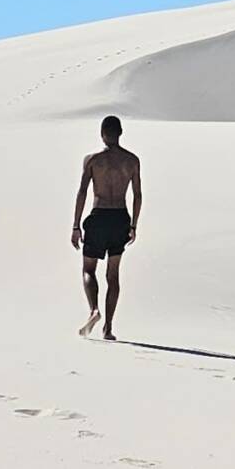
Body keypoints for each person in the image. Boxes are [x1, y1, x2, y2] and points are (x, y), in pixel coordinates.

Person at [72, 115, 144, 340]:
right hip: (120, 218)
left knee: (88, 269)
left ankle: (94, 310)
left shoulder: (92, 160)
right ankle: (109, 328)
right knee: (112, 275)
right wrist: (133, 225)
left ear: (102, 133)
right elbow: (138, 195)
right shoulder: (132, 161)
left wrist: (76, 226)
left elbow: (82, 192)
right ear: (120, 133)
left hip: (99, 216)